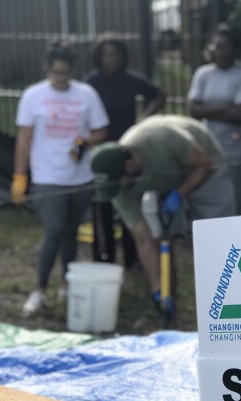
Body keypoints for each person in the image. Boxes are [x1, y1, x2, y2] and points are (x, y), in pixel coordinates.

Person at [90, 116, 236, 321]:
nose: (117, 190)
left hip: (204, 166)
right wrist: (158, 289)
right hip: (162, 183)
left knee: (218, 240)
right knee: (162, 242)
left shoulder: (162, 138)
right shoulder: (119, 189)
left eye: (118, 183)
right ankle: (170, 308)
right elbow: (143, 241)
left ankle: (230, 307)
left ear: (129, 165)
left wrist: (180, 194)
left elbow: (205, 165)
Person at [12, 42, 109, 317]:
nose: (61, 79)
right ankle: (40, 289)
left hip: (79, 176)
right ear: (47, 69)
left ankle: (66, 283)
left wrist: (84, 141)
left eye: (65, 74)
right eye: (56, 74)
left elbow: (102, 130)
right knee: (54, 229)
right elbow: (24, 137)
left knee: (71, 231)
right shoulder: (33, 96)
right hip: (47, 175)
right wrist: (20, 175)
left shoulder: (86, 94)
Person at [86, 34, 166, 268]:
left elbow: (159, 94)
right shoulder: (91, 83)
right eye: (107, 55)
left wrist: (144, 119)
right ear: (99, 57)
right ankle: (105, 256)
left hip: (127, 151)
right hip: (102, 153)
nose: (113, 59)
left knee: (130, 202)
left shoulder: (130, 80)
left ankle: (132, 257)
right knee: (103, 205)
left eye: (117, 54)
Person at [188, 24, 241, 214]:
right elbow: (194, 110)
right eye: (214, 46)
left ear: (234, 49)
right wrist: (225, 107)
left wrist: (207, 110)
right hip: (210, 151)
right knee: (213, 205)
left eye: (222, 47)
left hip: (237, 153)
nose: (217, 51)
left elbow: (240, 114)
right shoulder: (202, 74)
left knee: (238, 205)